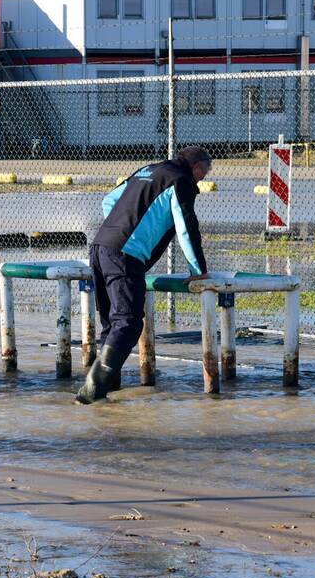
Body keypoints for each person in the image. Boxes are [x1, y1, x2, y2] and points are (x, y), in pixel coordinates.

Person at [75, 146, 212, 405]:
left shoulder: (148, 169)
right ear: (196, 167)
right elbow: (185, 225)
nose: (203, 179)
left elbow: (109, 200)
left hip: (101, 246)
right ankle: (91, 391)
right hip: (125, 255)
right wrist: (198, 270)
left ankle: (106, 394)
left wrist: (123, 228)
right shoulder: (181, 181)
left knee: (112, 323)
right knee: (128, 323)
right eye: (205, 172)